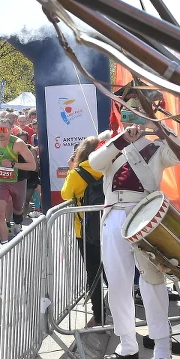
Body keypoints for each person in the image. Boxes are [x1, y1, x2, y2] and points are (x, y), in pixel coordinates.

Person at [88, 99, 180, 359]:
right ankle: (126, 344)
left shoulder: (157, 147)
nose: (136, 119)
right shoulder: (112, 142)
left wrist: (162, 129)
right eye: (130, 113)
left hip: (147, 218)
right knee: (118, 284)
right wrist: (121, 140)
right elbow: (95, 164)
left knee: (152, 281)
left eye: (141, 114)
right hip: (114, 216)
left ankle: (162, 348)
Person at [59, 136, 104, 326]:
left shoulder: (77, 173)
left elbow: (65, 194)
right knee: (114, 274)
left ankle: (99, 316)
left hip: (86, 231)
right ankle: (120, 315)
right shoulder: (108, 168)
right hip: (110, 226)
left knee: (93, 273)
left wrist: (71, 170)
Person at [0, 120, 37, 243]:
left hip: (18, 181)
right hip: (2, 181)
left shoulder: (18, 144)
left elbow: (32, 166)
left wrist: (13, 164)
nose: (1, 133)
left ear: (11, 130)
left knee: (18, 209)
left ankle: (18, 222)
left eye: (4, 130)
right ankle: (4, 243)